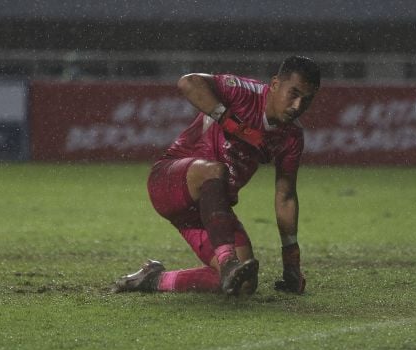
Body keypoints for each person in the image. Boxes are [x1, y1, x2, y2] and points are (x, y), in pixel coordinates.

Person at [113, 55, 320, 296]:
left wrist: (291, 261)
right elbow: (188, 83)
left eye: (306, 100)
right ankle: (227, 261)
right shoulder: (245, 93)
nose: (297, 106)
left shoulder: (291, 136)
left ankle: (154, 280)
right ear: (274, 84)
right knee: (214, 170)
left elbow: (285, 196)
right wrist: (235, 126)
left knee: (243, 284)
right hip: (170, 182)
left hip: (211, 210)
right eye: (293, 94)